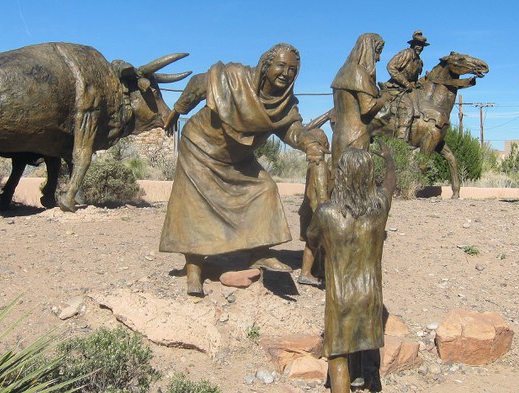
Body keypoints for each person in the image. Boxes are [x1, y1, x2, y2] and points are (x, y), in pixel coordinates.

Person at [159, 43, 326, 296]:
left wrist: (309, 143)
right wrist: (178, 110)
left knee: (265, 189)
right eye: (281, 65)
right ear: (266, 65)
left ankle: (259, 253)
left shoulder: (284, 104)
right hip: (200, 146)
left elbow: (291, 130)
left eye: (292, 69)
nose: (286, 73)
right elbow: (197, 84)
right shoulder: (235, 77)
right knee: (194, 208)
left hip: (237, 157)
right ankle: (194, 269)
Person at [306, 142, 396, 393]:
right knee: (362, 340)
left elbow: (311, 238)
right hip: (370, 295)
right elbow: (390, 183)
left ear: (341, 175)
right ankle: (366, 378)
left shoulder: (327, 213)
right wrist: (389, 159)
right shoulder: (379, 208)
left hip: (340, 297)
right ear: (369, 176)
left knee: (337, 355)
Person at [330, 33, 390, 166]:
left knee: (337, 178)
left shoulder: (341, 72)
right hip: (356, 137)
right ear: (369, 50)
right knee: (356, 181)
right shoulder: (359, 73)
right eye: (377, 52)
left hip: (338, 137)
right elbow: (367, 109)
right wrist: (385, 97)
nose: (378, 58)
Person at [297, 127, 330, 286]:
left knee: (315, 243)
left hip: (308, 209)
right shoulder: (320, 165)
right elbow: (322, 193)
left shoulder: (311, 165)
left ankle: (317, 270)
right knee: (313, 242)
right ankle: (306, 273)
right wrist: (327, 212)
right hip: (316, 210)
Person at [383, 30, 430, 140]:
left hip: (409, 90)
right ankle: (401, 141)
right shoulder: (406, 53)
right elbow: (391, 66)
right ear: (413, 44)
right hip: (396, 88)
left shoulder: (419, 61)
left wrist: (425, 80)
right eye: (418, 45)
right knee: (408, 109)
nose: (420, 47)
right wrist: (405, 83)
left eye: (422, 46)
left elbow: (415, 81)